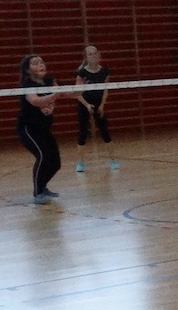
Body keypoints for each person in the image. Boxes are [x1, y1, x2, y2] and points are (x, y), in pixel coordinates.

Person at [14, 54, 64, 204]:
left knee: (55, 163)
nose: (40, 65)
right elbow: (35, 101)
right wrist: (54, 95)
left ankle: (42, 186)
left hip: (44, 128)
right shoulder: (27, 84)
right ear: (28, 70)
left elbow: (67, 93)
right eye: (35, 63)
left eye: (41, 62)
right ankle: (38, 193)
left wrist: (81, 88)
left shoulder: (49, 81)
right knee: (43, 156)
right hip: (28, 129)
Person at [74, 44, 117, 173]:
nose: (93, 56)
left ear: (99, 55)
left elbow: (105, 89)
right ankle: (80, 163)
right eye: (90, 54)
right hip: (84, 104)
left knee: (105, 131)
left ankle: (113, 160)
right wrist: (87, 105)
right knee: (83, 133)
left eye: (95, 53)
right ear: (86, 57)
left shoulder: (104, 71)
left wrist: (102, 105)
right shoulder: (81, 73)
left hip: (98, 103)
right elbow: (77, 93)